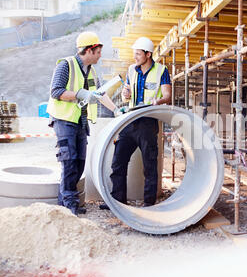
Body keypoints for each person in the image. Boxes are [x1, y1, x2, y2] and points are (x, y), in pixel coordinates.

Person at [100, 37, 171, 210]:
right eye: (134, 54)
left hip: (148, 123)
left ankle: (149, 204)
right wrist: (125, 93)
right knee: (118, 162)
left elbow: (168, 96)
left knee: (150, 165)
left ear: (148, 54)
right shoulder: (132, 70)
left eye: (138, 54)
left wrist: (158, 101)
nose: (135, 57)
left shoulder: (161, 70)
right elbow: (127, 96)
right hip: (130, 121)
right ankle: (117, 200)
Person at [47, 31, 103, 216]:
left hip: (80, 123)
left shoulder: (91, 72)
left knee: (79, 164)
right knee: (69, 161)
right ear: (89, 50)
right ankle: (70, 205)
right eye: (98, 51)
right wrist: (80, 94)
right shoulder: (66, 65)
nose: (100, 55)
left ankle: (64, 204)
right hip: (64, 121)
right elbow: (56, 91)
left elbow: (99, 96)